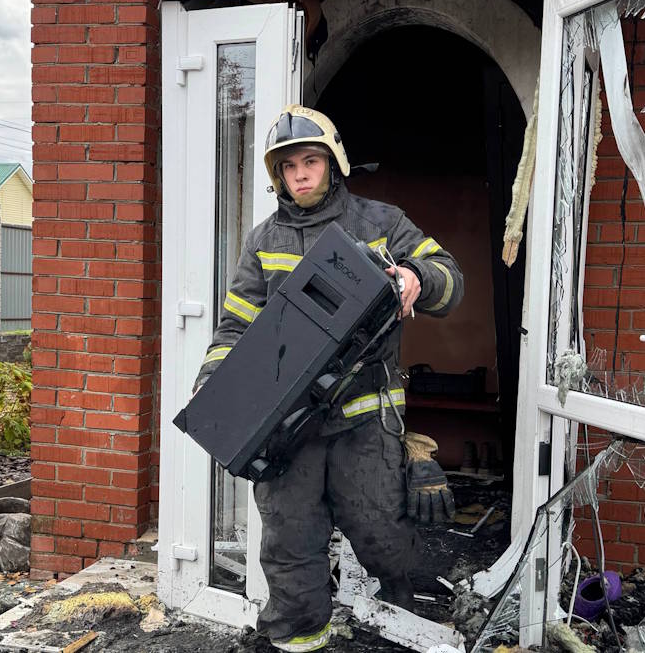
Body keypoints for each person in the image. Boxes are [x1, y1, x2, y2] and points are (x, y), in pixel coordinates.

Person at [193, 105, 464, 652]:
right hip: (287, 428)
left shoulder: (381, 222)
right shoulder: (263, 239)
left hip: (365, 423)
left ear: (333, 162)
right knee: (290, 549)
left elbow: (450, 279)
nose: (300, 173)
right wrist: (213, 387)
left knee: (382, 537)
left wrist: (416, 277)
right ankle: (300, 640)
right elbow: (236, 326)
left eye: (310, 160)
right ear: (278, 175)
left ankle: (398, 628)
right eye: (288, 165)